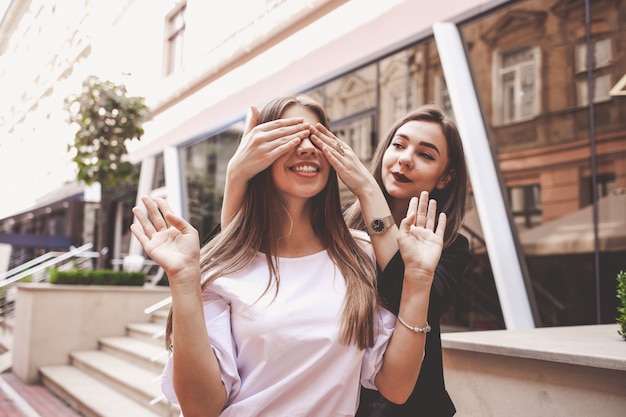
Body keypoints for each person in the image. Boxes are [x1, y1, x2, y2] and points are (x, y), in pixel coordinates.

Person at [130, 95, 447, 417]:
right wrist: (184, 279)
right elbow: (201, 409)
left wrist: (418, 278)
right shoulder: (223, 265)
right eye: (290, 135)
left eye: (316, 137)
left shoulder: (361, 256)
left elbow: (397, 387)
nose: (307, 147)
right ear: (258, 152)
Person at [222, 103, 471, 417]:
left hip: (409, 406)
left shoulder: (450, 246)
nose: (405, 159)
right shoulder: (339, 228)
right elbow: (239, 252)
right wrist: (238, 175)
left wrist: (367, 189)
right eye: (399, 144)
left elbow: (406, 295)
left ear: (445, 178)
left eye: (425, 154)